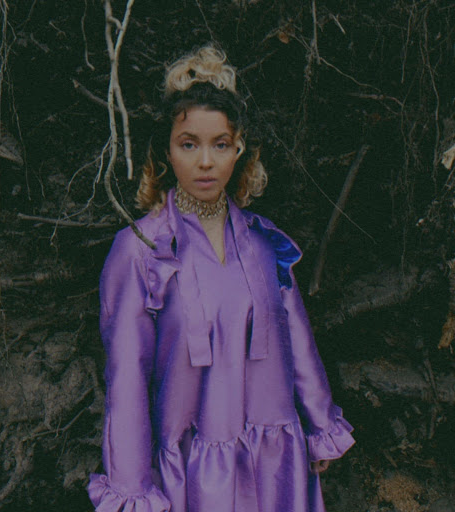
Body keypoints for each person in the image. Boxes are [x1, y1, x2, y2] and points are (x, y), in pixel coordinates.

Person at [87, 45, 355, 512]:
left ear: (239, 150)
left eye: (221, 144)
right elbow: (126, 376)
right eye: (189, 144)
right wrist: (131, 486)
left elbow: (297, 338)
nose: (206, 161)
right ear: (167, 150)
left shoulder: (263, 242)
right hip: (192, 473)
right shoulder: (141, 250)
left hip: (274, 465)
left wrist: (318, 424)